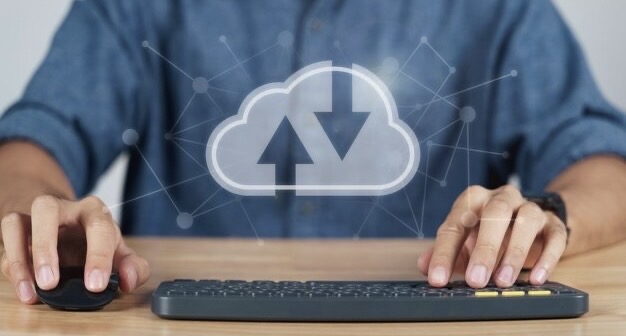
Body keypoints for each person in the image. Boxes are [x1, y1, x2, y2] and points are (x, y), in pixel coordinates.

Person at [1, 0, 626, 305]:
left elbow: (603, 166)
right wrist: (44, 218)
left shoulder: (499, 7)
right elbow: (32, 145)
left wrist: (544, 214)